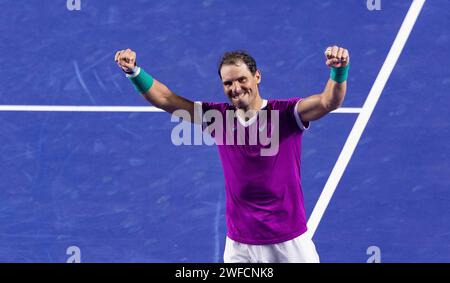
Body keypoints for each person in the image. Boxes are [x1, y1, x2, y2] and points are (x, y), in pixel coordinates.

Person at [114, 46, 349, 263]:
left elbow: (328, 101)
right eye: (228, 83)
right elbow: (166, 100)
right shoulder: (218, 118)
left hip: (288, 242)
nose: (235, 88)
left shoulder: (286, 114)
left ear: (257, 77)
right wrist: (134, 72)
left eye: (241, 79)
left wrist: (338, 72)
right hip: (240, 244)